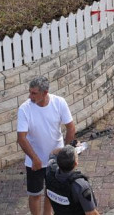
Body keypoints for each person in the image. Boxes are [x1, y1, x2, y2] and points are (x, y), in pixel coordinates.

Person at [17, 76, 76, 215]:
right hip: (34, 161)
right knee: (35, 194)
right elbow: (21, 138)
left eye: (34, 93)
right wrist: (35, 158)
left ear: (45, 92)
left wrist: (64, 152)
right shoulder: (24, 109)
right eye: (30, 92)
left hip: (54, 160)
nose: (30, 96)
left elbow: (71, 128)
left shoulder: (59, 103)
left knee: (51, 192)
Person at [44, 145, 100, 215]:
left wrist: (67, 150)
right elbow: (91, 213)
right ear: (76, 163)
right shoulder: (80, 185)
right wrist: (72, 149)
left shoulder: (50, 171)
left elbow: (53, 153)